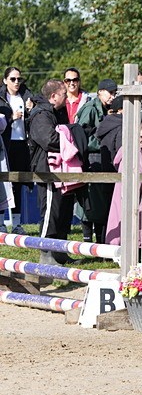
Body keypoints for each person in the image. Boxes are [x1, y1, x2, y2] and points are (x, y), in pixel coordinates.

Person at [26, 79, 76, 260]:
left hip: (60, 169)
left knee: (63, 213)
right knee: (50, 213)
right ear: (53, 96)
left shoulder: (57, 112)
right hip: (47, 171)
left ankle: (60, 253)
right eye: (64, 94)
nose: (67, 97)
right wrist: (71, 138)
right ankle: (46, 254)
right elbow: (49, 139)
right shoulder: (41, 115)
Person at [75, 78, 119, 243]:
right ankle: (88, 241)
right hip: (92, 158)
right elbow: (82, 135)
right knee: (92, 202)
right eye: (110, 92)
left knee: (102, 201)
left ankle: (101, 241)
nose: (112, 96)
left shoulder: (106, 109)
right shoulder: (90, 109)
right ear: (100, 91)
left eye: (114, 93)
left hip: (101, 157)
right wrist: (104, 141)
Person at [3, 67, 31, 220]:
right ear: (5, 81)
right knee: (3, 182)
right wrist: (10, 118)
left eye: (19, 79)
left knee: (18, 183)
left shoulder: (25, 96)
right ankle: (1, 222)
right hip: (5, 144)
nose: (16, 82)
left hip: (22, 142)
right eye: (13, 79)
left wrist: (30, 111)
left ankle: (16, 222)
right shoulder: (2, 98)